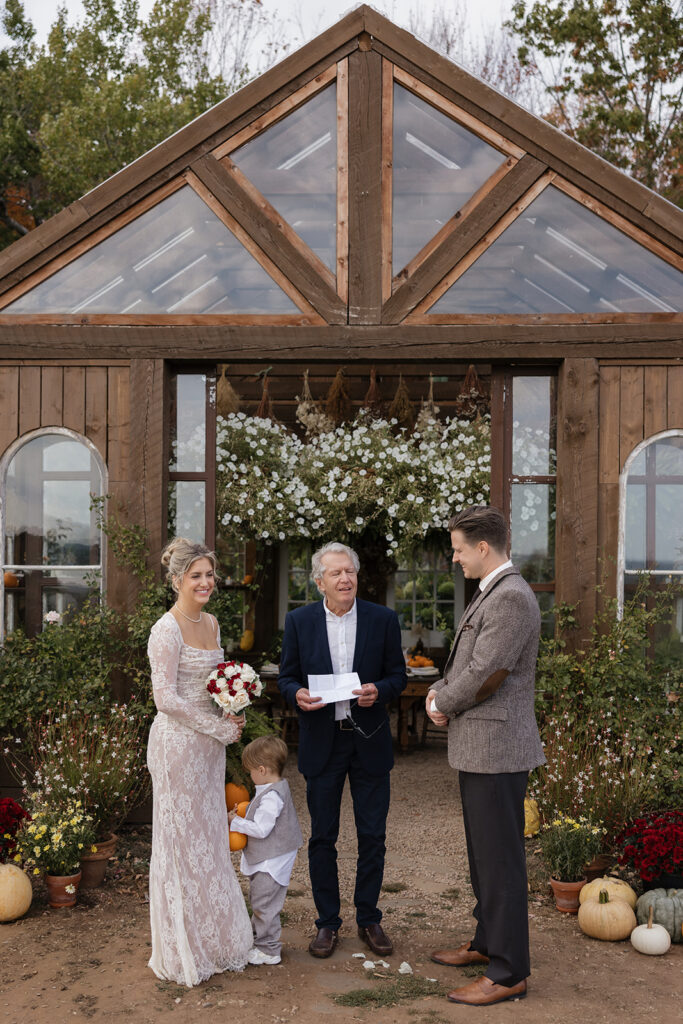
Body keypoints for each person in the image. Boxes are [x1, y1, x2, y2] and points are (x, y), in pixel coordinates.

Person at [425, 506, 545, 1007]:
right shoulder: (493, 592)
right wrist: (437, 690)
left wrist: (441, 702)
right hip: (480, 747)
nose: (454, 558)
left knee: (501, 863)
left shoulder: (511, 597)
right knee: (484, 858)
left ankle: (509, 970)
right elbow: (466, 664)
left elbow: (488, 673)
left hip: (498, 749)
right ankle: (487, 943)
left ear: (482, 547)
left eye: (457, 549)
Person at [278, 541, 407, 959]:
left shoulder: (382, 619)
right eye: (335, 573)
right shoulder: (298, 621)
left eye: (349, 571)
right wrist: (296, 693)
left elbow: (397, 677)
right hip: (322, 742)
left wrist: (379, 691)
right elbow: (286, 677)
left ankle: (369, 919)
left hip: (369, 740)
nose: (345, 578)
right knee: (322, 838)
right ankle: (327, 925)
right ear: (320, 582)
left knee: (373, 835)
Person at [146, 537, 253, 987]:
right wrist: (217, 727)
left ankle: (216, 938)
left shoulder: (210, 622)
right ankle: (181, 945)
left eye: (210, 574)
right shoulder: (165, 630)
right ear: (177, 581)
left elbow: (216, 680)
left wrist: (232, 708)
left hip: (209, 748)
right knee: (180, 840)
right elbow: (165, 697)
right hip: (177, 746)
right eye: (197, 576)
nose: (206, 582)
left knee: (209, 836)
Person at [228, 735, 304, 966]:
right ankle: (259, 940)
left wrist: (235, 822)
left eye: (250, 771)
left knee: (265, 904)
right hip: (269, 857)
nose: (249, 776)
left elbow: (261, 829)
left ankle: (269, 950)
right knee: (260, 899)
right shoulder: (271, 789)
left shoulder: (272, 796)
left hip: (272, 860)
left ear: (261, 769)